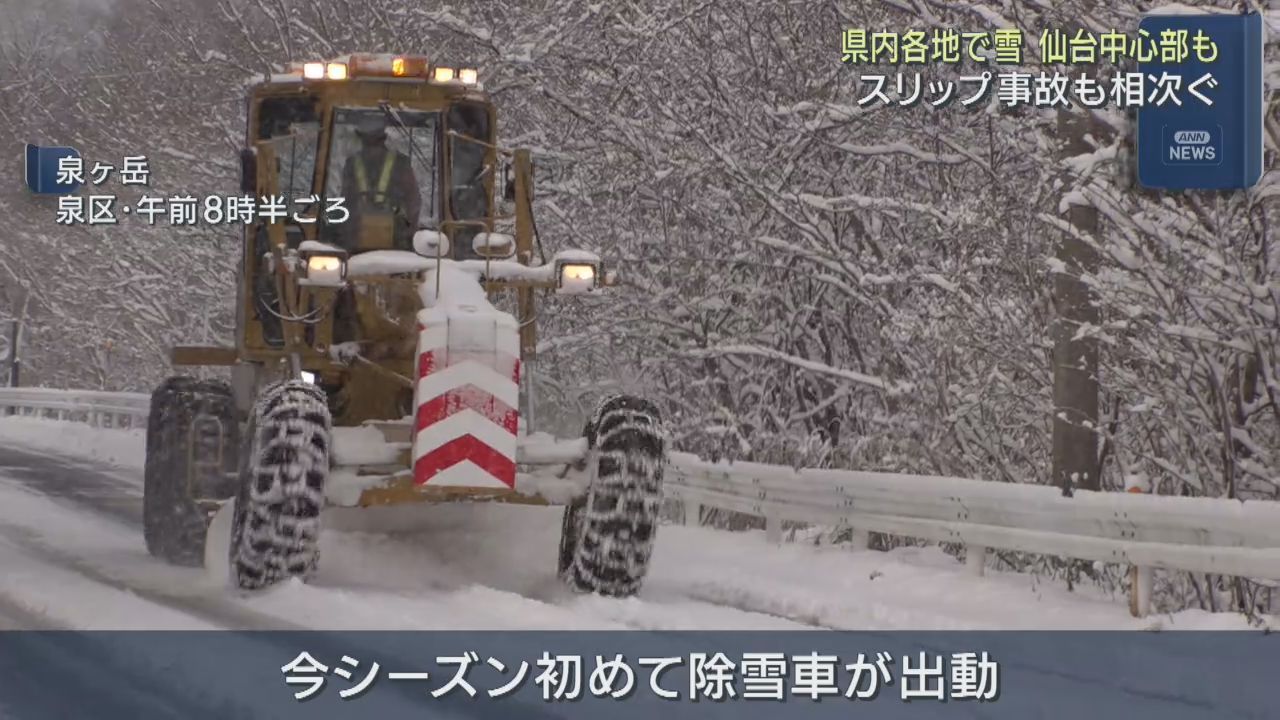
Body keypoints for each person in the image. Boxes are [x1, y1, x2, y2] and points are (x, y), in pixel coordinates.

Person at [340, 115, 421, 250]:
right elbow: (413, 201)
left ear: (361, 139)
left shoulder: (352, 164)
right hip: (395, 242)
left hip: (356, 241)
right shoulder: (401, 163)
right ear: (383, 139)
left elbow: (345, 200)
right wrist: (410, 230)